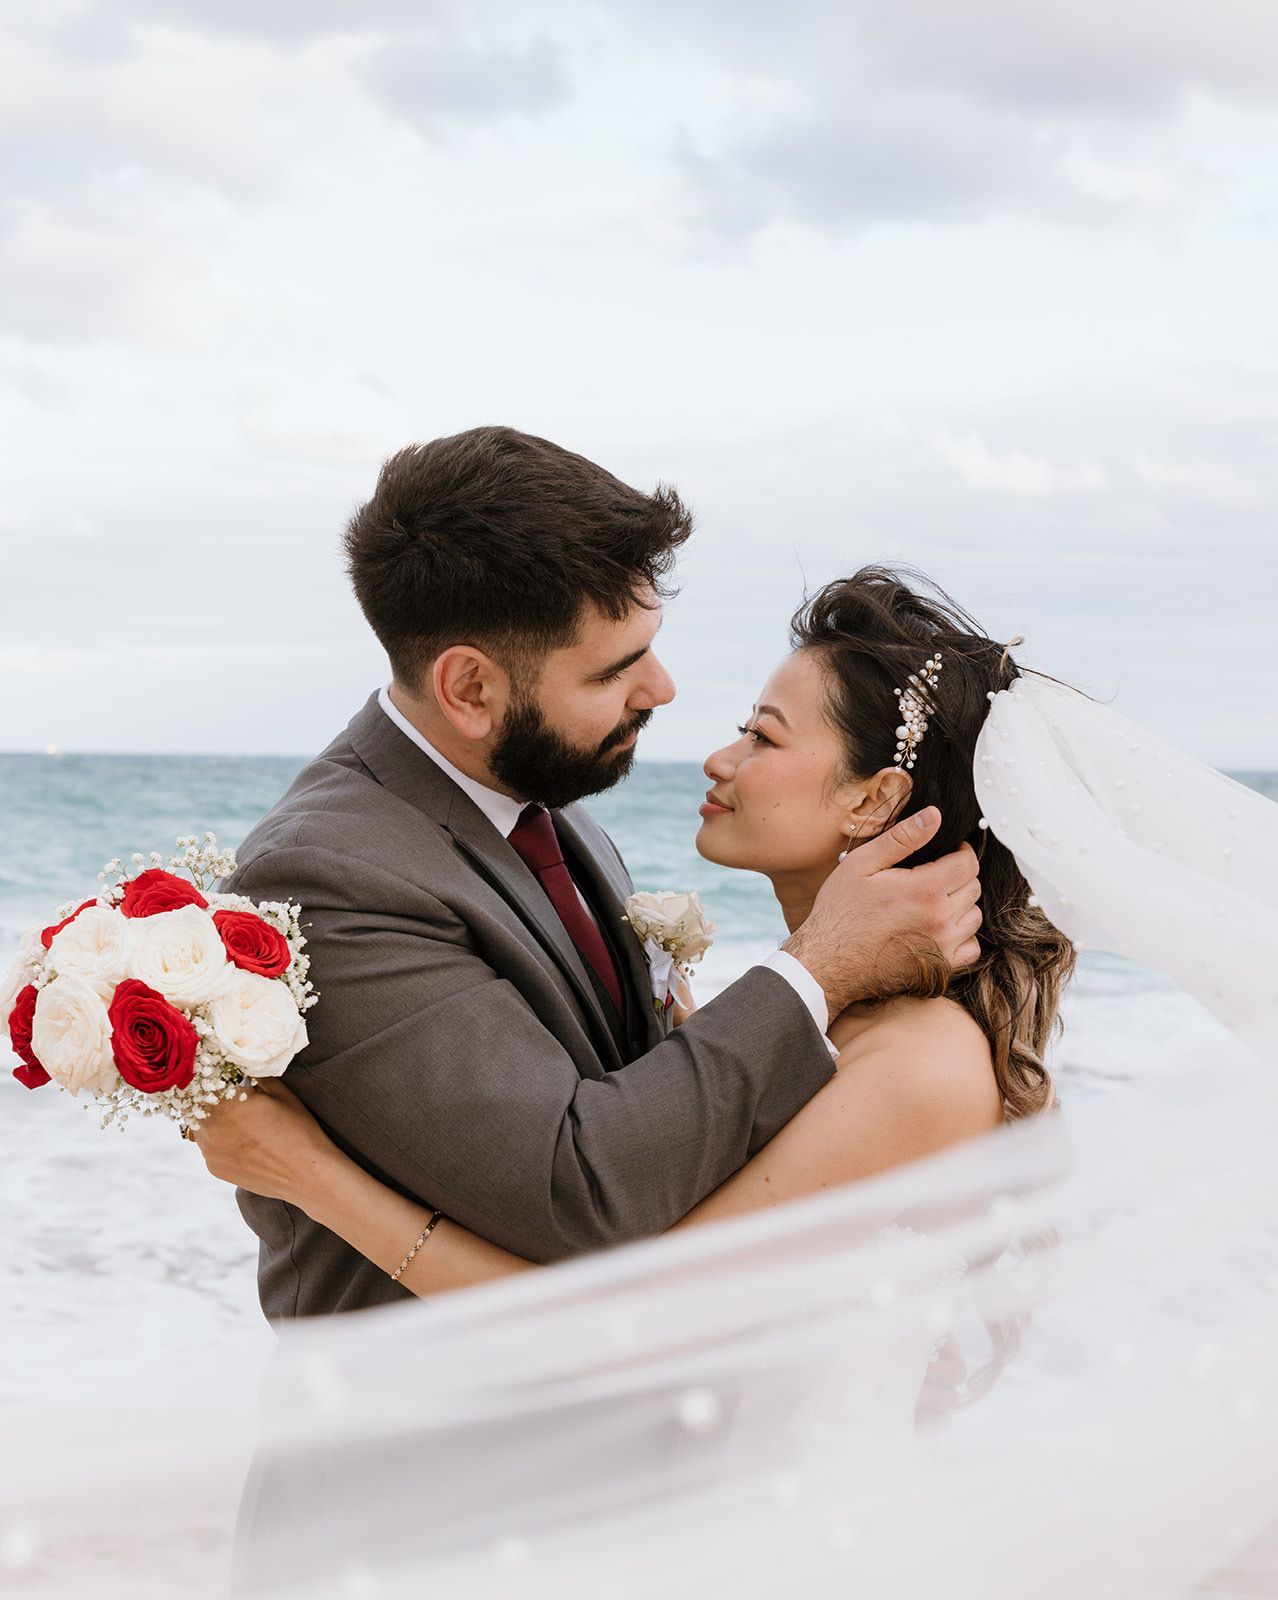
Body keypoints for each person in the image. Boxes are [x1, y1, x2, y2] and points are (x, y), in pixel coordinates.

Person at [213, 429, 982, 1320]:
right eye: (616, 668)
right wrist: (819, 966)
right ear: (469, 688)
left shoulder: (549, 802)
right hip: (437, 1444)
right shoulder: (331, 877)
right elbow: (582, 1194)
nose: (662, 689)